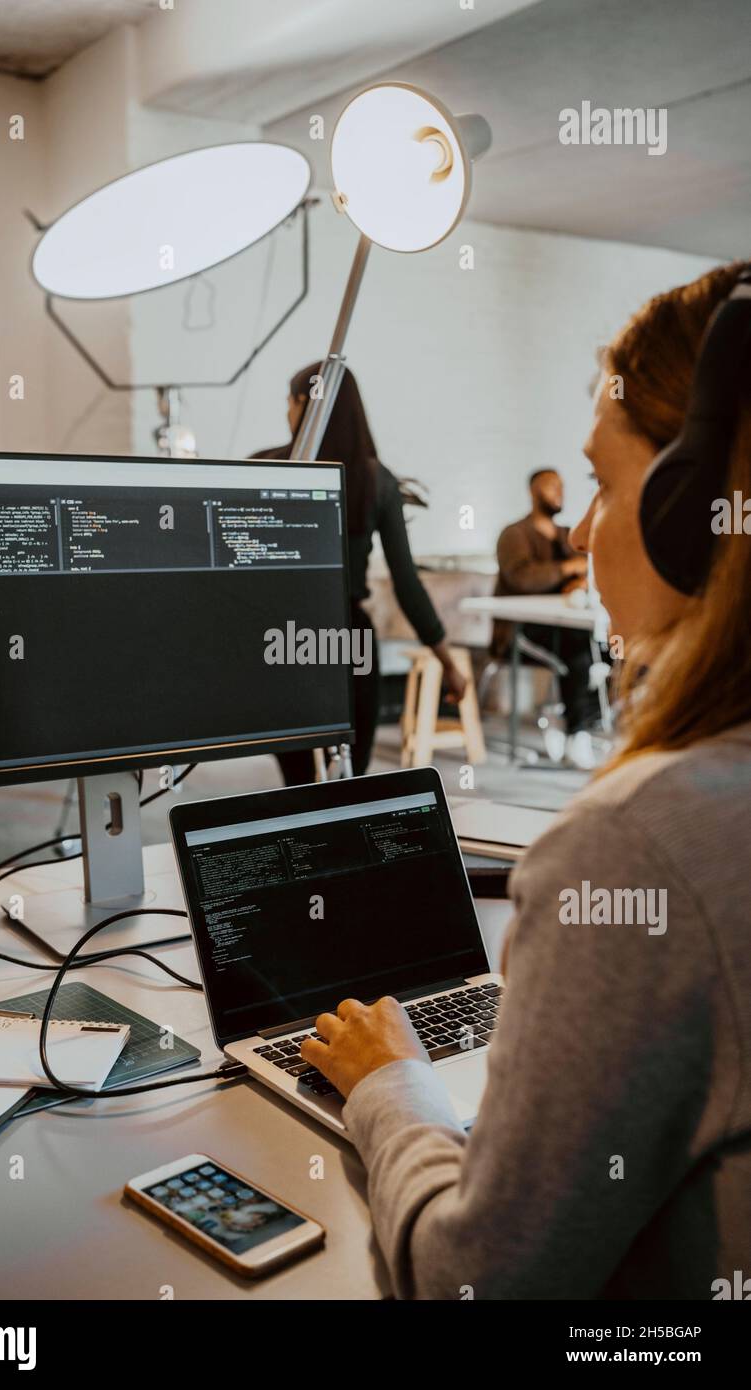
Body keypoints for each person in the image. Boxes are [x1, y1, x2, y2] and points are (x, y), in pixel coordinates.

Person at [299, 261, 751, 1299]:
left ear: (693, 504)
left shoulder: (644, 843)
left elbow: (474, 1279)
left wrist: (386, 1082)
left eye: (600, 479)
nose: (583, 529)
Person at [254, 362, 467, 784]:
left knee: (297, 782)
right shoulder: (375, 479)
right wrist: (448, 660)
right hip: (347, 635)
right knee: (352, 777)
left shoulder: (265, 467)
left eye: (288, 402)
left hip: (282, 635)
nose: (286, 413)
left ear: (303, 403)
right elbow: (407, 582)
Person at [493, 468, 601, 765]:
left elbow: (582, 572)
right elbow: (522, 579)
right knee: (579, 651)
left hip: (568, 626)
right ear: (533, 491)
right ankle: (576, 731)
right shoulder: (514, 535)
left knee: (615, 652)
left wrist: (577, 581)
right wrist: (568, 570)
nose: (559, 492)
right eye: (551, 486)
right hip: (522, 631)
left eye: (562, 487)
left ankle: (574, 720)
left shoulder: (567, 536)